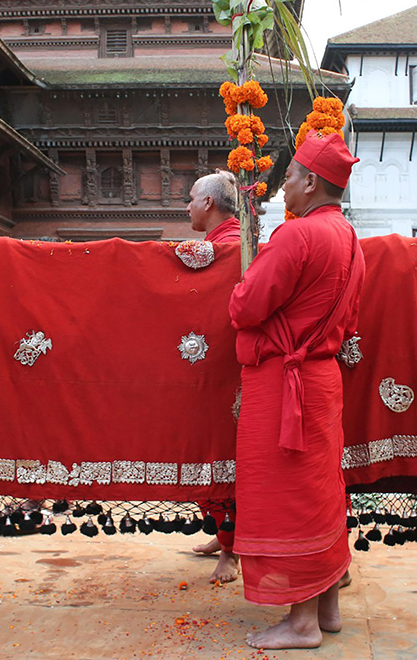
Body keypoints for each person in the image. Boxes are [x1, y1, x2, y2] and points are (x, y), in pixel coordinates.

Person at [228, 132, 365, 649]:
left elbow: (246, 306)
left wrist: (244, 293)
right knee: (321, 489)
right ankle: (325, 605)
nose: (282, 188)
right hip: (321, 376)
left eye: (287, 178)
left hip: (284, 383)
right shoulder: (350, 238)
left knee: (288, 497)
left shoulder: (296, 236)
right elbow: (349, 320)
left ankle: (302, 621)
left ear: (310, 181)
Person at [185, 169, 241, 583]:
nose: (186, 205)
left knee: (222, 458)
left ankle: (231, 550)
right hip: (200, 366)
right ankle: (217, 534)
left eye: (190, 198)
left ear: (208, 203)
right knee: (201, 452)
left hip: (226, 372)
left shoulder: (236, 248)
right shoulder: (214, 246)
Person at [187, 170, 241, 244]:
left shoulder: (227, 245)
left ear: (208, 202)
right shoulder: (237, 240)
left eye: (192, 200)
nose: (188, 208)